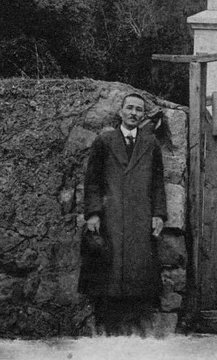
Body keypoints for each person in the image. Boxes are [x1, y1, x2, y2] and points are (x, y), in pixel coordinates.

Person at [79, 92, 167, 335]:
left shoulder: (150, 144)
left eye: (139, 110)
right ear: (120, 112)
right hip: (111, 216)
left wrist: (159, 214)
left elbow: (158, 182)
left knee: (138, 270)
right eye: (130, 108)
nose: (133, 113)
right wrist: (94, 213)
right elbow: (93, 180)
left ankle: (137, 330)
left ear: (143, 115)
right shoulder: (104, 141)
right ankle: (108, 328)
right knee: (110, 270)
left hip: (140, 216)